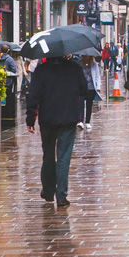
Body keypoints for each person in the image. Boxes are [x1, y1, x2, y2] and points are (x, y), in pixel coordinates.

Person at [26, 54, 88, 207]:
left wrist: (30, 119)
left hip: (47, 119)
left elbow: (33, 96)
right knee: (63, 157)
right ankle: (61, 195)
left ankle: (48, 191)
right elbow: (84, 90)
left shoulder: (41, 70)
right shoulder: (74, 68)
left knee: (48, 155)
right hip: (68, 118)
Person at [78, 55, 101, 131]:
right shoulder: (79, 64)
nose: (86, 57)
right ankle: (81, 121)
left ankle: (87, 121)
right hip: (81, 88)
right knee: (80, 104)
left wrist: (98, 87)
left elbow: (97, 76)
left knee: (89, 105)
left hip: (91, 87)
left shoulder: (94, 64)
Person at [0, 44, 18, 123]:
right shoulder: (10, 59)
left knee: (2, 99)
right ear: (8, 51)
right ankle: (8, 116)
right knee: (9, 100)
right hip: (8, 82)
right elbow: (14, 70)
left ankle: (2, 115)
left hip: (0, 82)